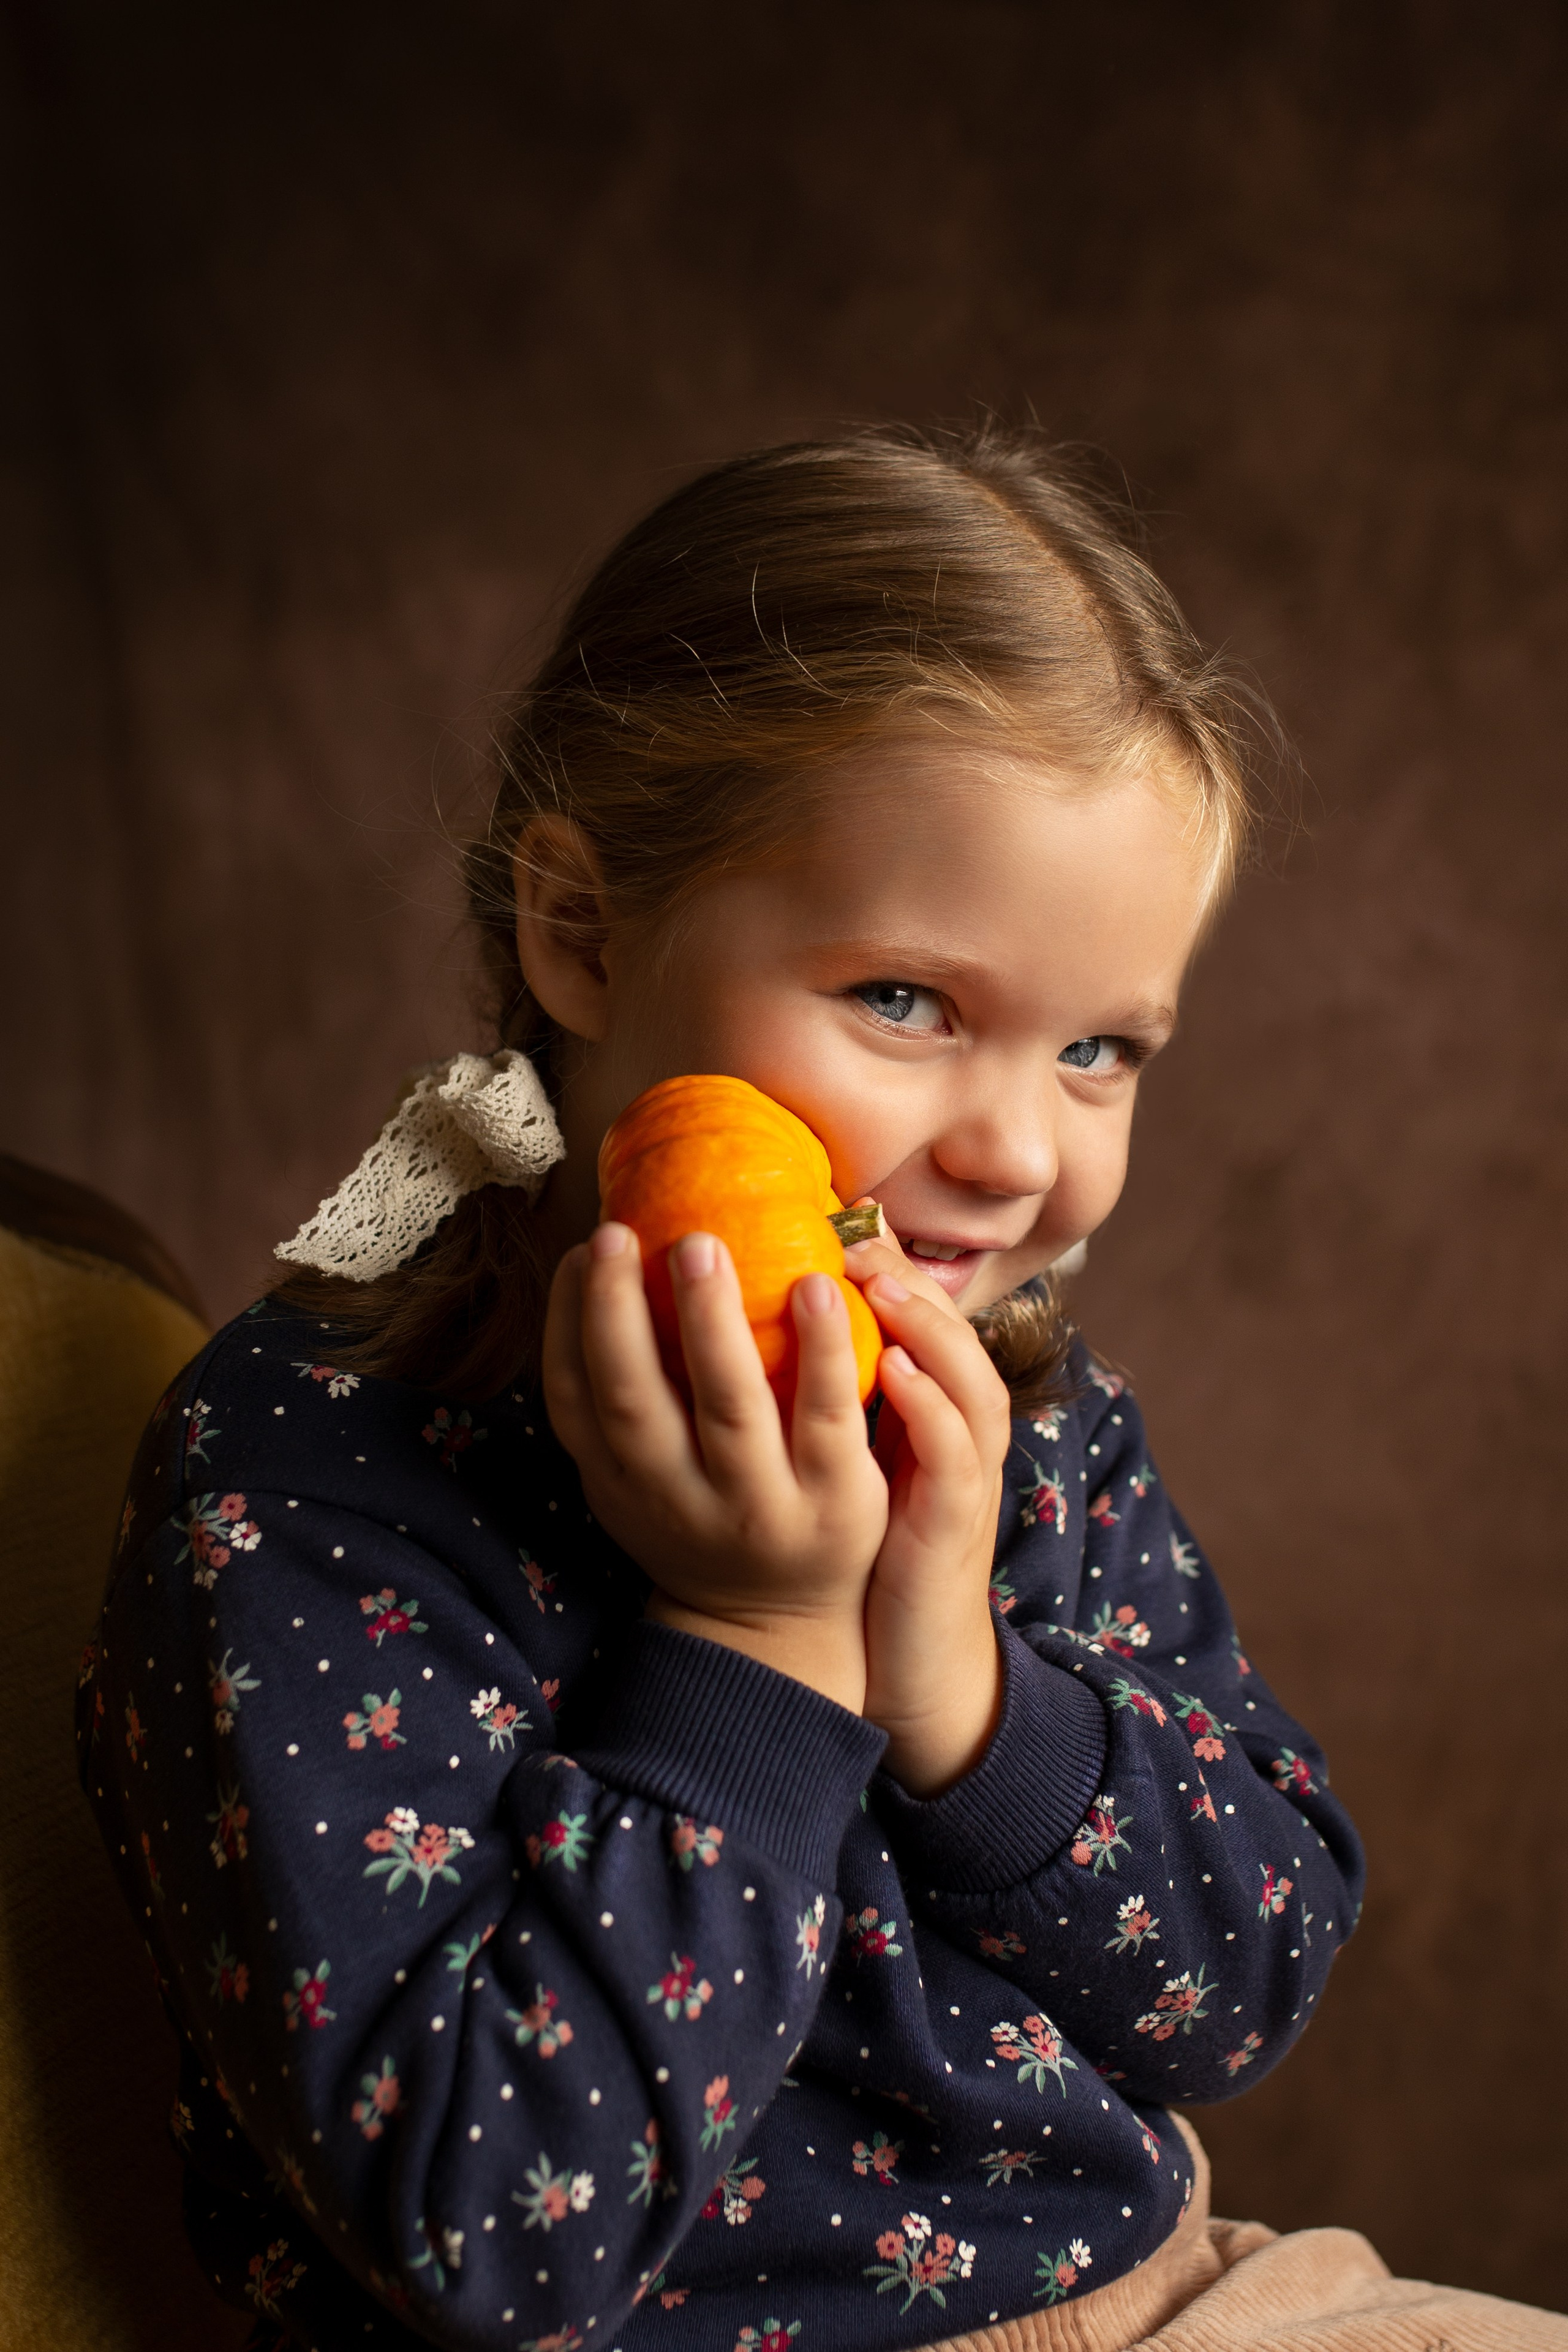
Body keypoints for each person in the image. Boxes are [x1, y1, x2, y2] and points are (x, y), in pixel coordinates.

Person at [78, 428, 1561, 2352]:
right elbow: (486, 2241)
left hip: (1168, 2294)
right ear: (584, 935)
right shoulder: (307, 1470)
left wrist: (966, 1697)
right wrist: (760, 1643)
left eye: (1102, 1048)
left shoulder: (1023, 1415)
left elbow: (1245, 1981)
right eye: (909, 1003)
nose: (1022, 1151)